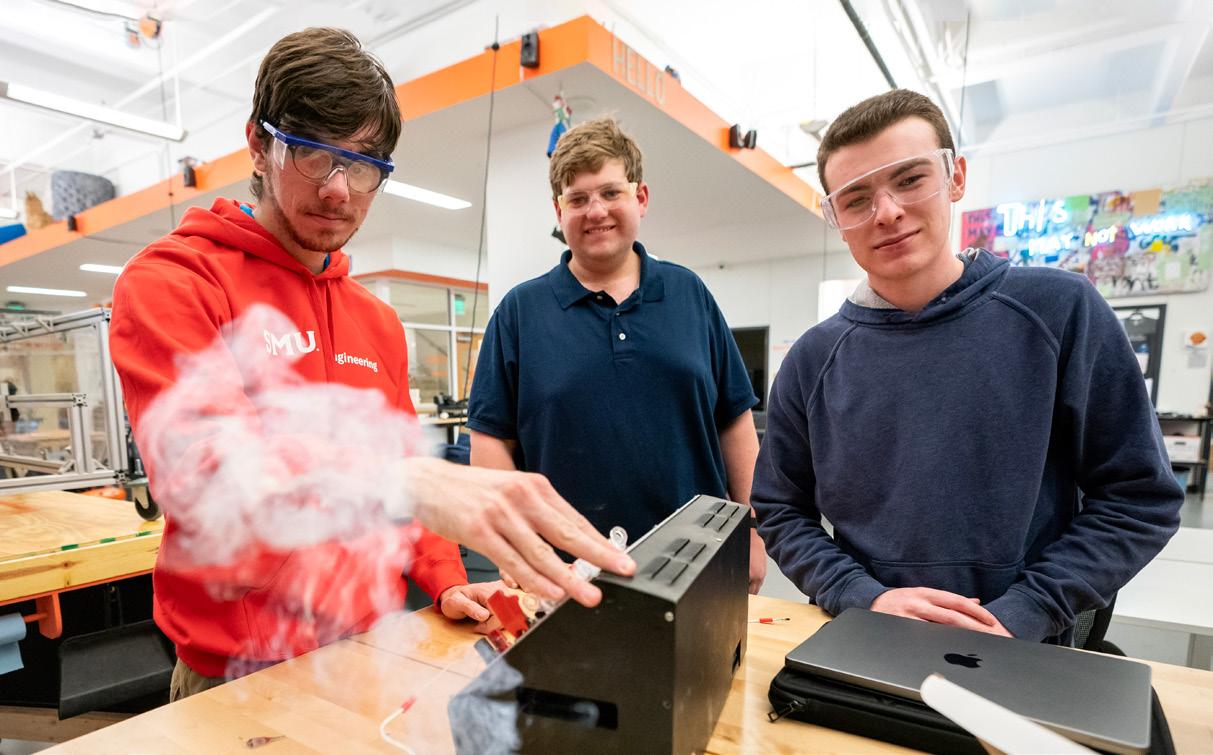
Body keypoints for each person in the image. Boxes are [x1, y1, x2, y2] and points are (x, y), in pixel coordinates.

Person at [109, 28, 632, 700]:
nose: (338, 190)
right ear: (258, 145)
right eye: (312, 153)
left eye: (362, 165)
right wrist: (404, 478)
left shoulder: (375, 321)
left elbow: (401, 487)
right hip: (237, 675)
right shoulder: (176, 282)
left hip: (370, 654)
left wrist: (445, 577)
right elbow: (210, 481)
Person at [752, 89, 1182, 642]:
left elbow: (1139, 496)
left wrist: (1029, 609)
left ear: (955, 177)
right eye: (856, 199)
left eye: (910, 179)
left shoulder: (1061, 311)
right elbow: (781, 509)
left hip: (1030, 646)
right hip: (872, 637)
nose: (887, 212)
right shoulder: (812, 360)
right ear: (836, 217)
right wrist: (863, 597)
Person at [467, 117, 767, 592]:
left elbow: (734, 421)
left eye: (611, 193)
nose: (596, 211)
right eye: (577, 199)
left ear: (640, 198)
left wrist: (752, 531)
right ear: (558, 211)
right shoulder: (519, 312)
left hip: (699, 560)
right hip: (564, 572)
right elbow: (489, 442)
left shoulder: (689, 294)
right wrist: (517, 546)